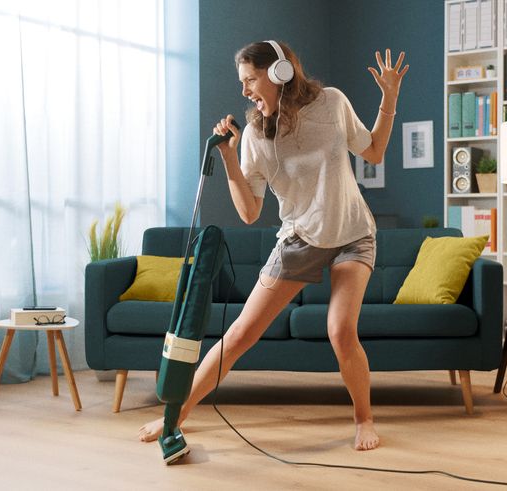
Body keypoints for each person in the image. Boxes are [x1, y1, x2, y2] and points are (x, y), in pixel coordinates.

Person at [139, 40, 408, 451]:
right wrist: (230, 158)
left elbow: (373, 150)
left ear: (280, 73)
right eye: (241, 82)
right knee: (241, 334)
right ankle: (175, 416)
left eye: (250, 79)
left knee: (340, 330)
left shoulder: (332, 103)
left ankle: (364, 419)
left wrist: (389, 99)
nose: (245, 90)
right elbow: (249, 211)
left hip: (353, 234)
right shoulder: (254, 135)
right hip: (300, 239)